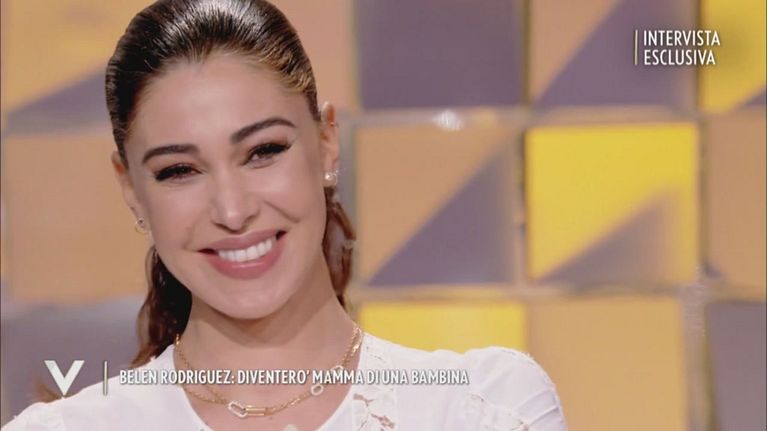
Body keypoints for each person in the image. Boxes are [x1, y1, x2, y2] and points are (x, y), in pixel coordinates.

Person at [3, 1, 567, 429]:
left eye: (263, 151)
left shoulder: (483, 407)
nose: (232, 210)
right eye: (179, 170)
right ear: (130, 188)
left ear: (326, 143)